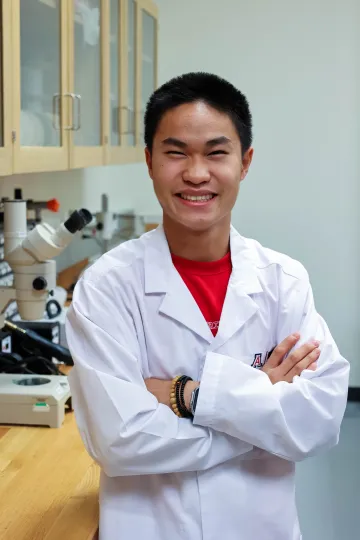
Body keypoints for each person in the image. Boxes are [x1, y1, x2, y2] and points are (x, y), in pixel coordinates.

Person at [66, 72, 350, 540]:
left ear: (245, 162)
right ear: (149, 161)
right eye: (176, 152)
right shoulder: (106, 287)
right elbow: (121, 442)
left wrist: (185, 395)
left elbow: (317, 420)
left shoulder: (283, 281)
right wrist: (260, 409)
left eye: (216, 152)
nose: (196, 173)